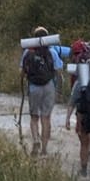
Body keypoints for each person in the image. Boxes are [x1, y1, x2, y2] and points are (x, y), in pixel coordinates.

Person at [20, 25, 64, 156]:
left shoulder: (27, 52)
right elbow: (59, 71)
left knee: (34, 117)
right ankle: (44, 149)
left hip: (33, 86)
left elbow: (21, 72)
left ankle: (35, 140)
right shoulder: (52, 52)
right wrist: (59, 90)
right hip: (49, 86)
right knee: (46, 118)